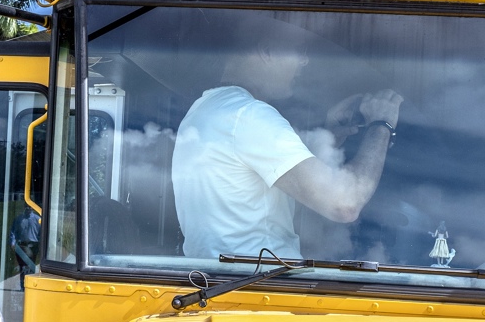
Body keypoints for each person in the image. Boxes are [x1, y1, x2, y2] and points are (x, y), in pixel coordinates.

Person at [170, 39, 403, 259]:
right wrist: (381, 124)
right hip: (261, 282)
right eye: (299, 51)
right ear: (268, 51)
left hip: (228, 280)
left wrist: (329, 137)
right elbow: (345, 204)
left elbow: (261, 198)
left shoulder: (203, 111)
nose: (305, 61)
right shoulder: (249, 115)